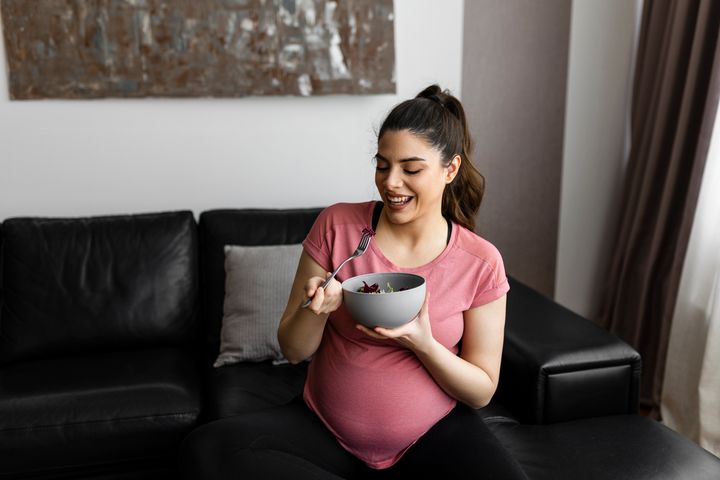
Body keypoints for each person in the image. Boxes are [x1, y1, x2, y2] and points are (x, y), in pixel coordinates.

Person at [186, 85, 529, 479]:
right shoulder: (339, 226)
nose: (391, 183)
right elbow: (294, 350)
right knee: (205, 448)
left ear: (450, 169)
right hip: (323, 431)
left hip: (432, 435)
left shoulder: (480, 261)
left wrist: (423, 344)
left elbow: (481, 390)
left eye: (411, 169)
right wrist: (316, 310)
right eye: (383, 165)